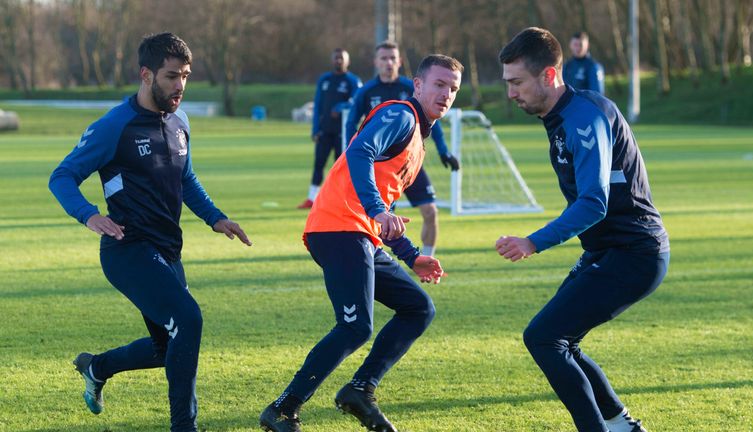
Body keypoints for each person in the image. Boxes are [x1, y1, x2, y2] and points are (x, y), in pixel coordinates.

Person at [49, 32, 251, 432]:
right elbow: (63, 177)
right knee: (188, 320)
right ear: (146, 75)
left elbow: (186, 179)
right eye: (171, 76)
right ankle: (184, 426)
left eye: (185, 76)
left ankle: (97, 367)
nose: (180, 86)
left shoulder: (180, 122)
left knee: (167, 347)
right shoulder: (114, 126)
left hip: (166, 250)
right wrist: (89, 215)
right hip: (128, 249)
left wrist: (215, 217)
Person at [259, 54, 463, 432]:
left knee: (418, 308)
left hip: (361, 234)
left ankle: (359, 389)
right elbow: (358, 152)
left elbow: (384, 208)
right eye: (439, 84)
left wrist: (412, 255)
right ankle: (283, 409)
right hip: (338, 228)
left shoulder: (420, 136)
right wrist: (377, 211)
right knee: (354, 327)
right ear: (416, 85)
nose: (446, 94)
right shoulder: (400, 115)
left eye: (453, 88)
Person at [496, 28, 669, 432]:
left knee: (544, 337)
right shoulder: (564, 115)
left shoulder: (584, 117)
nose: (511, 93)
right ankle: (624, 427)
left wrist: (532, 242)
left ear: (549, 76)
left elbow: (594, 201)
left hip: (635, 252)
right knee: (559, 340)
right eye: (508, 83)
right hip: (608, 251)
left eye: (517, 82)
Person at [344, 40, 460, 257]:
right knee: (382, 219)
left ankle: (426, 257)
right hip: (379, 169)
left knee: (430, 211)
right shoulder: (366, 91)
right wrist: (347, 152)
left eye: (393, 58)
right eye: (384, 58)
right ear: (376, 62)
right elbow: (351, 124)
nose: (389, 62)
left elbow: (434, 124)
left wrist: (444, 151)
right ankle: (377, 256)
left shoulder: (411, 87)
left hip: (409, 163)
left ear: (400, 61)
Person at [297, 48, 362, 209]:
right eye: (336, 58)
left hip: (343, 133)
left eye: (341, 58)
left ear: (348, 61)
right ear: (332, 60)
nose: (338, 61)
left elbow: (358, 102)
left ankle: (340, 199)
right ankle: (311, 198)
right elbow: (318, 105)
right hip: (325, 131)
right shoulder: (324, 80)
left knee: (340, 166)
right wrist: (315, 129)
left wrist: (341, 107)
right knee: (319, 163)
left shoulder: (353, 81)